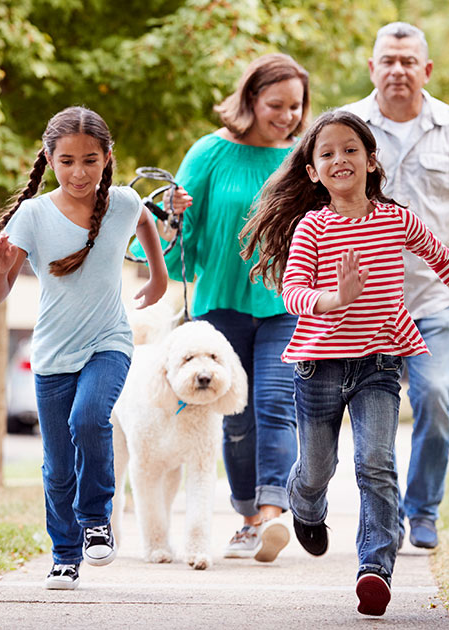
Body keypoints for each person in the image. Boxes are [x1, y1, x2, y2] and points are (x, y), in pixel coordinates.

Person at [240, 110, 449, 616]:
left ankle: (375, 569)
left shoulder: (396, 218)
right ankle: (306, 506)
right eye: (327, 154)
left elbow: (445, 261)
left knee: (376, 462)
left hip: (379, 362)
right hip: (319, 364)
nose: (339, 159)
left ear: (370, 160)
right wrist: (334, 298)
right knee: (317, 467)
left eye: (350, 149)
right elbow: (293, 291)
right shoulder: (312, 226)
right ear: (313, 172)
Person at [0, 106, 169, 591]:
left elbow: (146, 224)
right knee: (56, 465)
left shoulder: (122, 202)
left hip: (108, 342)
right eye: (67, 160)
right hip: (51, 354)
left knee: (88, 419)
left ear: (107, 157)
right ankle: (65, 555)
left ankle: (97, 520)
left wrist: (157, 275)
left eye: (90, 160)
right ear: (49, 159)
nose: (79, 172)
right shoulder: (33, 215)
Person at [343, 22, 449, 551]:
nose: (397, 70)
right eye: (387, 60)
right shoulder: (348, 128)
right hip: (365, 305)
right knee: (369, 420)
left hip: (435, 296)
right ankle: (382, 520)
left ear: (426, 69)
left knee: (435, 398)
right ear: (372, 68)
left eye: (408, 61)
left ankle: (424, 509)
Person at [156, 53, 311, 563]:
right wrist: (173, 216)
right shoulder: (208, 153)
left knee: (274, 404)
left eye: (296, 106)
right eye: (276, 104)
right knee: (237, 417)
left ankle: (271, 515)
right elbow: (178, 238)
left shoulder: (300, 160)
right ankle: (246, 516)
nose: (288, 116)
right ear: (250, 99)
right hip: (220, 303)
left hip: (284, 302)